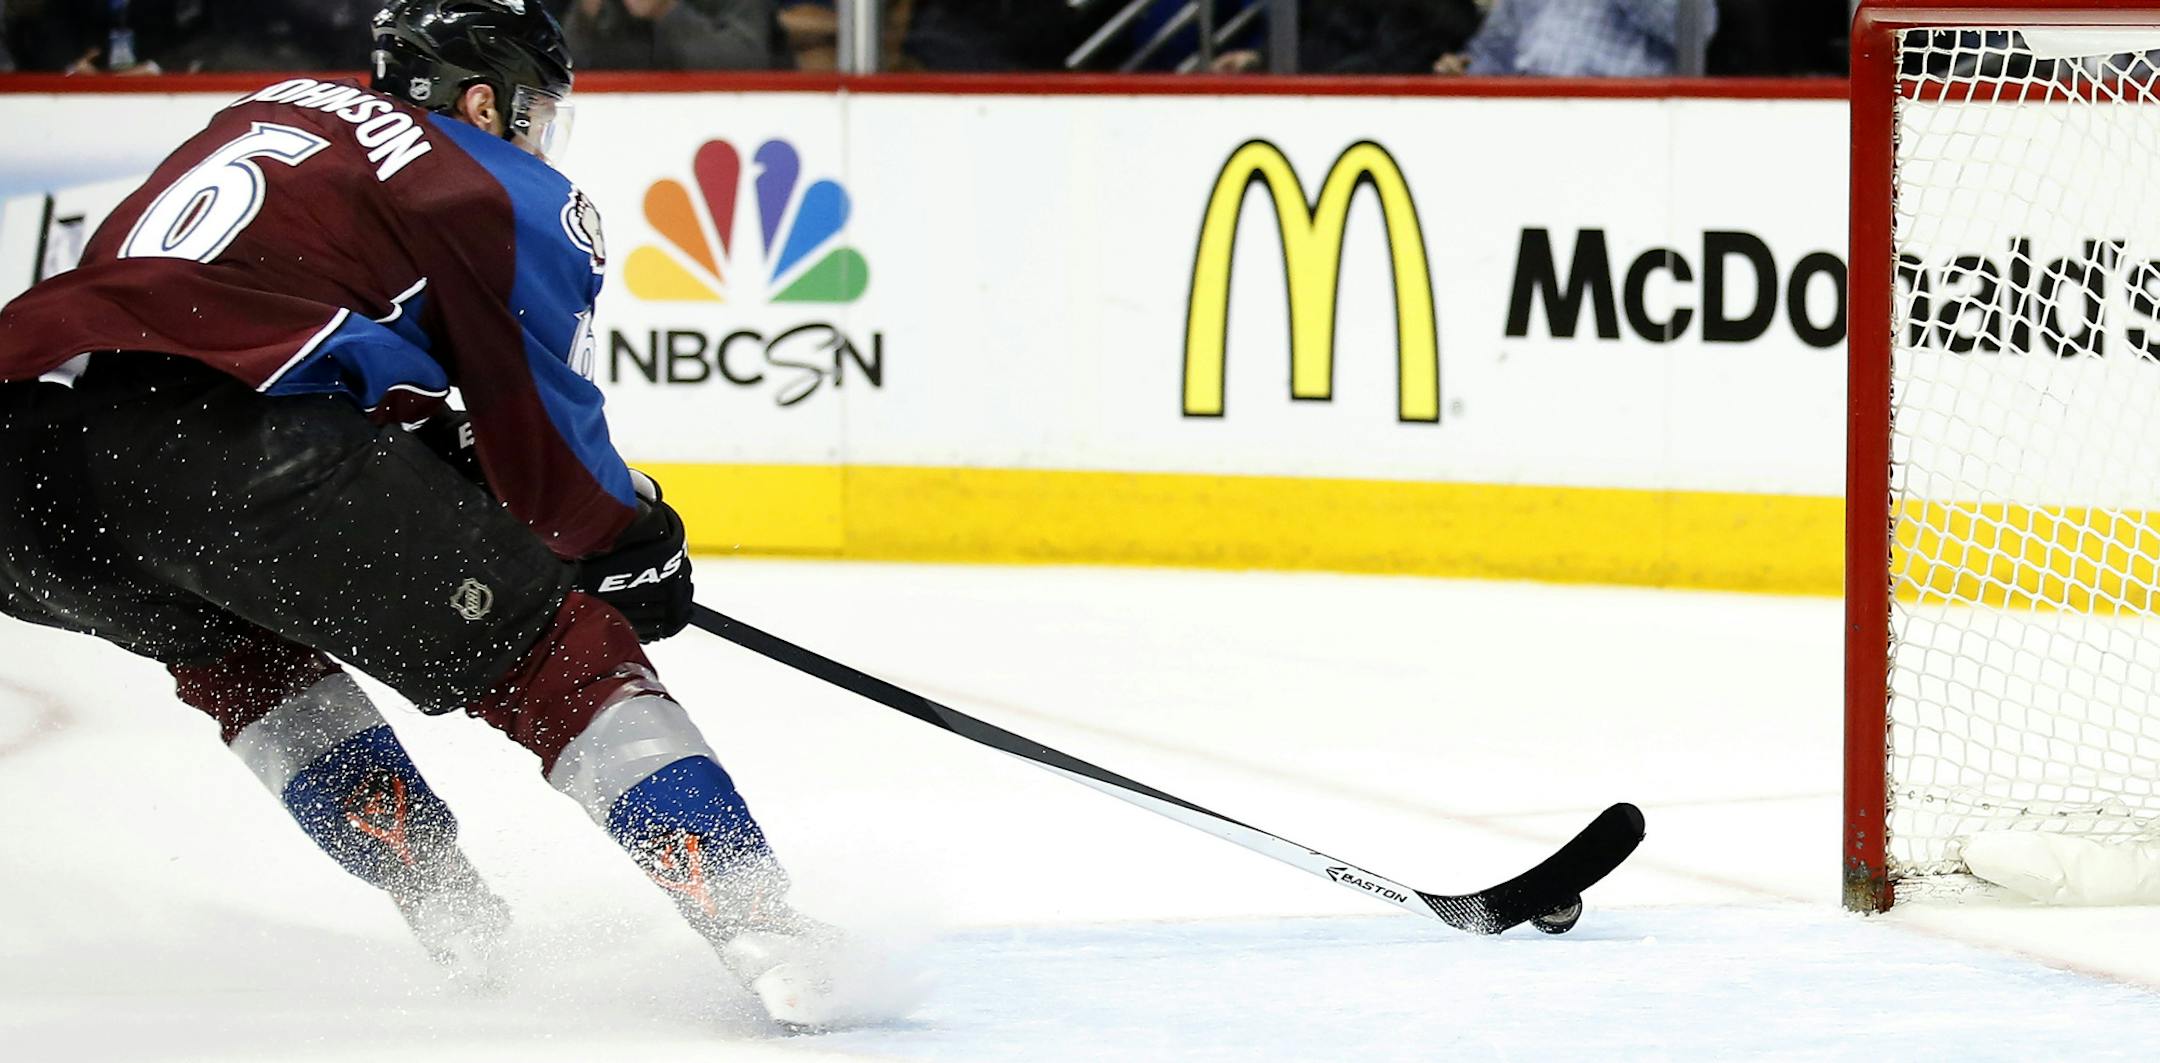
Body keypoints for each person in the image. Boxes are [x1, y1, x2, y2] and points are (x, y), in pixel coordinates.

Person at [0, 0, 867, 1030]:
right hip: (245, 457)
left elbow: (202, 308)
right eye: (534, 109)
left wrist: (400, 442)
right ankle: (762, 925)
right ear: (481, 98)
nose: (537, 134)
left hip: (26, 465)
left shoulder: (275, 107)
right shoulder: (491, 184)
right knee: (563, 655)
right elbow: (557, 475)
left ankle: (457, 922)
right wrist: (638, 543)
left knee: (246, 658)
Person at [1435, 0, 1717, 78]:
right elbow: (1496, 51)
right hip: (1531, 118)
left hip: (1624, 120)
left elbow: (1697, 29)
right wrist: (1466, 76)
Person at [556, 0, 791, 70]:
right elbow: (567, 66)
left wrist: (667, 12)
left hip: (726, 119)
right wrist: (586, 15)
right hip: (625, 129)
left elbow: (748, 59)